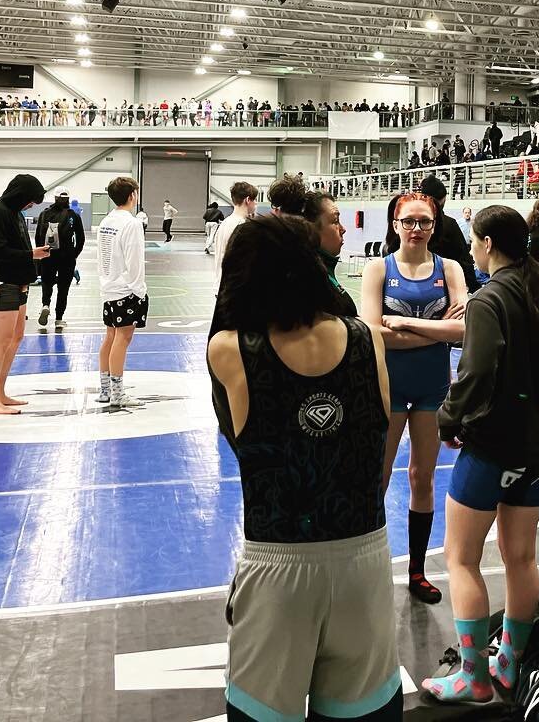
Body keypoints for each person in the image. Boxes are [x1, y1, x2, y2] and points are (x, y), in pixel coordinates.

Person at [208, 214, 401, 722]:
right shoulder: (367, 339)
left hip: (280, 560)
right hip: (364, 555)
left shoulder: (231, 349)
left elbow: (234, 433)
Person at [422, 205, 539, 702]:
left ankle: (475, 677)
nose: (470, 247)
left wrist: (448, 419)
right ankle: (509, 664)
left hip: (493, 447)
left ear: (489, 243)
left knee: (461, 558)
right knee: (521, 557)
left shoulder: (489, 299)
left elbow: (474, 373)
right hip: (537, 447)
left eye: (474, 239)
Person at [360, 191, 467, 605]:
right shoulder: (378, 269)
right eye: (409, 221)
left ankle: (417, 571)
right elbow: (371, 333)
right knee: (378, 479)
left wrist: (402, 324)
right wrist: (433, 330)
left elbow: (463, 332)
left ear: (435, 225)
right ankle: (369, 570)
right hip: (387, 388)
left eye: (425, 221)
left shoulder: (451, 268)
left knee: (422, 478)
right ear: (395, 225)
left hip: (431, 390)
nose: (417, 229)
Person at [0, 174, 48, 415]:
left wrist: (33, 256)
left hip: (19, 280)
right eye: (30, 200)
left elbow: (18, 246)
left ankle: (0, 393)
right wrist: (32, 255)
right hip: (5, 281)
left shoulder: (14, 213)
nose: (31, 205)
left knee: (16, 336)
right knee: (2, 340)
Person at [268, 174, 356, 316]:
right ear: (309, 228)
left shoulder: (322, 272)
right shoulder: (307, 285)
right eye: (335, 221)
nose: (343, 229)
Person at [97, 176, 146, 408]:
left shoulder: (107, 221)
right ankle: (118, 393)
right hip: (125, 289)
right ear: (131, 196)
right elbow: (134, 260)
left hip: (108, 286)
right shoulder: (132, 223)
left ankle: (105, 390)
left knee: (110, 337)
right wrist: (139, 290)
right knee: (122, 339)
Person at [418, 174, 480, 293]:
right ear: (443, 199)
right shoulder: (449, 224)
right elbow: (463, 259)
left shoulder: (407, 223)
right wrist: (474, 287)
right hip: (441, 286)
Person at [36, 190, 85, 333]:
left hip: (47, 255)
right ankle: (58, 318)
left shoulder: (44, 214)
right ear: (68, 199)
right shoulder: (73, 215)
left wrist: (42, 253)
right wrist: (74, 254)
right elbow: (81, 238)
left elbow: (39, 235)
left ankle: (45, 304)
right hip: (67, 257)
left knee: (47, 282)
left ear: (56, 198)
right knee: (63, 288)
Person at [211, 181, 257, 273]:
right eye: (255, 200)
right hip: (234, 283)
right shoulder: (242, 226)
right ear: (248, 200)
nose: (256, 203)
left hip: (221, 281)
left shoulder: (224, 224)